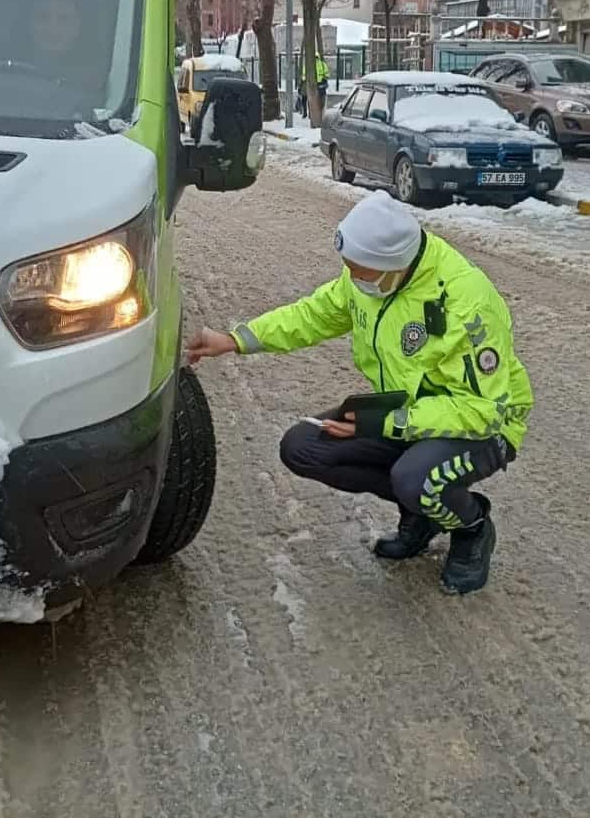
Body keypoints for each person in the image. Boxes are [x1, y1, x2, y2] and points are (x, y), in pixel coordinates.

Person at [186, 191, 532, 594]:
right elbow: (313, 315)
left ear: (394, 266)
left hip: (484, 426)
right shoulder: (372, 281)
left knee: (416, 479)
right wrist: (236, 339)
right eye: (349, 269)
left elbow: (483, 410)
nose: (352, 279)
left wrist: (385, 421)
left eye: (361, 271)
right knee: (302, 446)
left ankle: (471, 527)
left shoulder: (465, 302)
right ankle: (423, 512)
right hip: (410, 411)